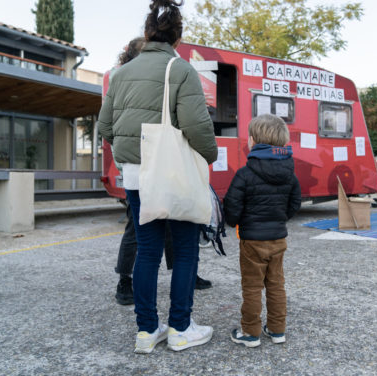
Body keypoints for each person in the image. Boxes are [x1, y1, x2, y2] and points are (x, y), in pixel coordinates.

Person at [98, 0, 218, 354]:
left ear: (147, 33)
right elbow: (197, 127)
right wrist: (209, 156)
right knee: (184, 252)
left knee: (148, 251)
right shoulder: (181, 70)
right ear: (177, 37)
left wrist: (131, 153)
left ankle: (147, 331)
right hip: (173, 174)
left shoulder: (120, 74)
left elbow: (105, 126)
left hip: (135, 177)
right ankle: (181, 327)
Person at [109, 38, 211, 307]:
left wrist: (122, 159)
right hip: (152, 167)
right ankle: (125, 280)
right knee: (146, 230)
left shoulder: (120, 77)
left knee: (151, 230)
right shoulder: (137, 75)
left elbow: (106, 127)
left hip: (138, 169)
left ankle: (153, 307)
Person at [223, 114, 301, 348]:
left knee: (252, 287)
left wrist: (236, 222)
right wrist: (279, 220)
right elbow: (294, 203)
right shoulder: (290, 172)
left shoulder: (245, 174)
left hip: (252, 241)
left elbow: (232, 209)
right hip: (278, 239)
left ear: (254, 140)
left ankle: (250, 332)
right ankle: (277, 330)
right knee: (276, 284)